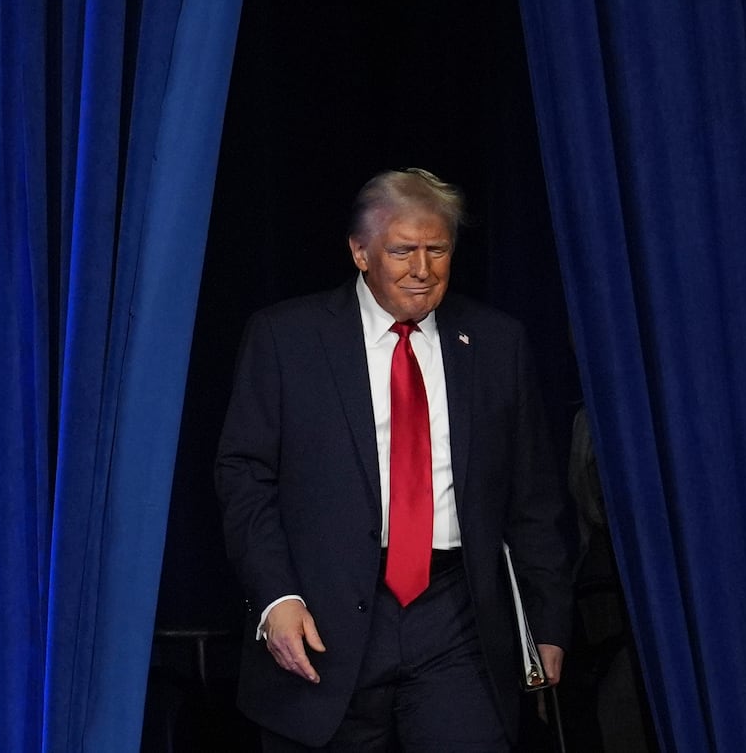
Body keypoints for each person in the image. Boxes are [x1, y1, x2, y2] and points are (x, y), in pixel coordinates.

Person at [215, 168, 572, 751]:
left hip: (457, 616)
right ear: (360, 252)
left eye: (438, 249)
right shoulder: (287, 338)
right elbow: (245, 477)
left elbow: (532, 493)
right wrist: (276, 597)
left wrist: (547, 620)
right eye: (402, 250)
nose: (422, 269)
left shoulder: (496, 342)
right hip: (325, 619)